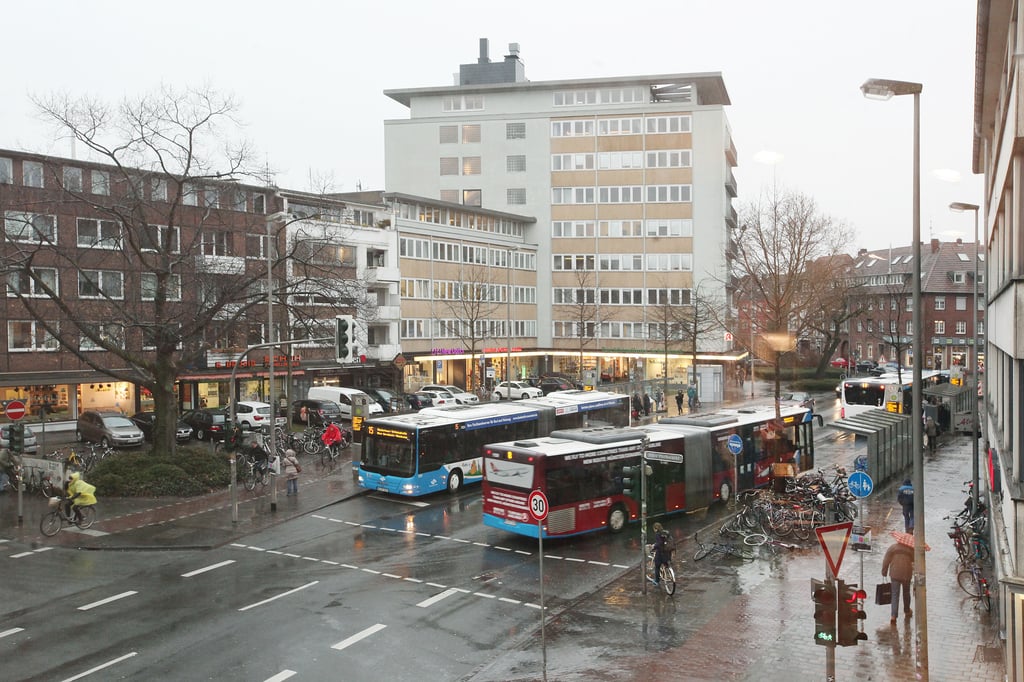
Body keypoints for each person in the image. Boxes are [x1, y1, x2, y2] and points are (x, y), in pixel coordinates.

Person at [881, 539, 914, 624]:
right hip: (906, 574)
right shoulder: (910, 549)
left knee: (895, 595)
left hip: (895, 574)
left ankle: (893, 616)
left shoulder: (892, 548)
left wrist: (884, 572)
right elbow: (914, 561)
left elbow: (886, 560)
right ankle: (907, 611)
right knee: (906, 593)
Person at [650, 522, 673, 586]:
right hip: (668, 552)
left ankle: (656, 581)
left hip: (661, 553)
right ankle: (668, 572)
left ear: (655, 529)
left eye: (654, 529)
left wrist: (653, 547)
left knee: (657, 566)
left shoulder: (658, 534)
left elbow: (659, 543)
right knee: (666, 564)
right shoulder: (666, 532)